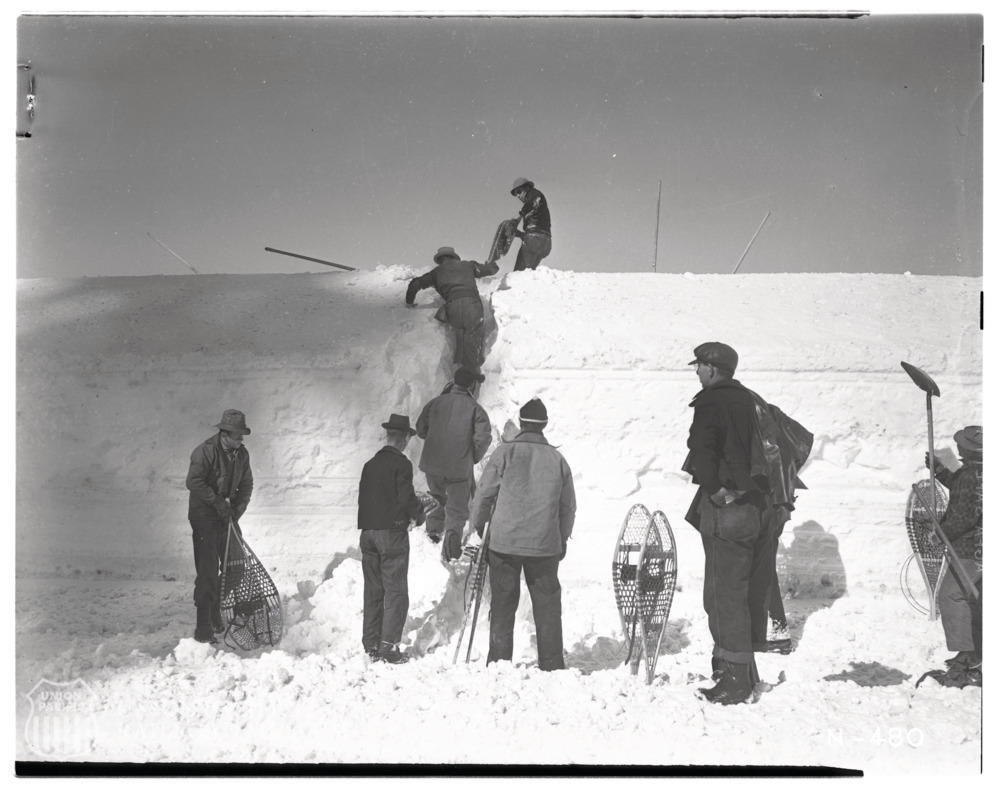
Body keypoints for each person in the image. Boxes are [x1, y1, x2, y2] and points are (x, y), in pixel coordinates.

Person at [681, 342, 772, 705]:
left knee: (723, 596)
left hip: (728, 508)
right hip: (754, 506)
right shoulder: (749, 399)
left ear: (712, 369)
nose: (697, 372)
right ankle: (738, 668)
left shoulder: (711, 400)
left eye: (699, 366)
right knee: (742, 591)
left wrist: (716, 490)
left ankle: (735, 681)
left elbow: (703, 449)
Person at [469, 397, 576, 671]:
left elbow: (484, 494)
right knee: (547, 604)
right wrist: (563, 538)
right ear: (545, 425)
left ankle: (499, 661)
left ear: (521, 423)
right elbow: (568, 507)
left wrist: (478, 527)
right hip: (544, 545)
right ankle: (551, 663)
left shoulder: (504, 453)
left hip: (504, 542)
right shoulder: (557, 459)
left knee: (503, 602)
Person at [357, 413, 426, 664]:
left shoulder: (370, 464)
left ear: (388, 436)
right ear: (405, 438)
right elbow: (406, 498)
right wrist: (419, 515)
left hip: (368, 533)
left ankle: (371, 642)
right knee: (396, 590)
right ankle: (388, 646)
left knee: (373, 589)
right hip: (391, 535)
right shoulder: (401, 464)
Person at [920, 425, 983, 688]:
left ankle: (971, 659)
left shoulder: (974, 474)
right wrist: (941, 471)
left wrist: (940, 533)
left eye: (961, 444)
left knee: (952, 595)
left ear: (969, 448)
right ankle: (975, 655)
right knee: (974, 601)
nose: (957, 447)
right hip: (978, 548)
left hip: (970, 548)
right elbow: (963, 492)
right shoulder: (976, 471)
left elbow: (968, 514)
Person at [185, 409, 254, 644]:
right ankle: (203, 625)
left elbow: (246, 485)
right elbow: (193, 481)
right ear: (224, 434)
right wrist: (217, 504)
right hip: (204, 517)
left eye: (241, 436)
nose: (240, 440)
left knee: (236, 567)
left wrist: (236, 512)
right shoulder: (204, 452)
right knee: (207, 573)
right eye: (237, 436)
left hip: (227, 518)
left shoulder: (242, 455)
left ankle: (216, 606)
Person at [416, 367, 492, 560]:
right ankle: (452, 538)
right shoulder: (476, 409)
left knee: (436, 497)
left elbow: (420, 430)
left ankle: (433, 530)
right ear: (472, 385)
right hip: (459, 467)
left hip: (433, 465)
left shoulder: (435, 403)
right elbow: (482, 439)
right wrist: (472, 457)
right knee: (457, 507)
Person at [405, 246, 498, 373]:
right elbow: (492, 270)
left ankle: (458, 372)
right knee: (472, 338)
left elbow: (415, 283)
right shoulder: (468, 265)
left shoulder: (435, 273)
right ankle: (471, 374)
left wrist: (409, 303)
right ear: (454, 257)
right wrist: (491, 264)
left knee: (459, 336)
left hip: (452, 307)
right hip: (472, 305)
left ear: (440, 260)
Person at [509, 177, 552, 272]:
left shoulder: (534, 194)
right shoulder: (535, 204)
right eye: (516, 194)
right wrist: (519, 234)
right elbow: (538, 226)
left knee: (518, 275)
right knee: (528, 274)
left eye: (519, 191)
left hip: (535, 239)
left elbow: (530, 203)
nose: (518, 196)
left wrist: (516, 219)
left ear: (527, 187)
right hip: (545, 242)